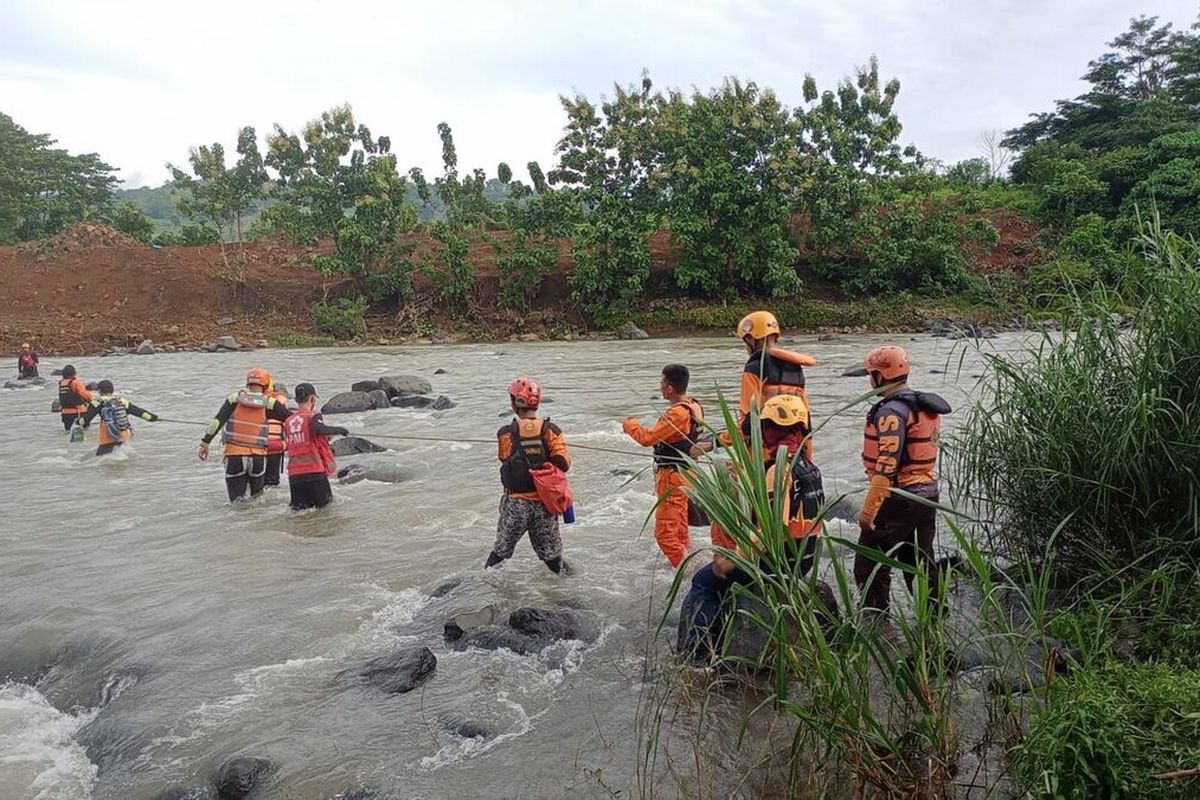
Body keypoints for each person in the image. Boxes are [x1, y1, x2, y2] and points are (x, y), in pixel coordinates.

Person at [677, 394, 831, 664]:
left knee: (703, 582)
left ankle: (696, 656)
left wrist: (734, 558)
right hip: (802, 559)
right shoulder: (809, 466)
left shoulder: (777, 471)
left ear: (769, 431)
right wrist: (747, 476)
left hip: (776, 563)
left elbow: (772, 529)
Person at [855, 345, 951, 614]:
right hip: (927, 494)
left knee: (869, 566)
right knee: (919, 562)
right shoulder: (922, 405)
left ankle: (876, 625)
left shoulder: (890, 413)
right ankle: (936, 621)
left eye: (871, 374)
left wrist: (869, 510)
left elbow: (886, 467)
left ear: (880, 377)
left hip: (900, 496)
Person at [692, 310, 817, 460]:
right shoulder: (796, 370)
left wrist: (716, 441)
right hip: (794, 453)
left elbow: (749, 422)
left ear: (752, 340)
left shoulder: (754, 369)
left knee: (732, 472)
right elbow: (805, 422)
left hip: (764, 455)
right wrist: (809, 461)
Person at [622, 364, 705, 567]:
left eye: (662, 383)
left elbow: (647, 438)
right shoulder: (694, 405)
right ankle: (689, 563)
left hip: (673, 477)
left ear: (669, 388)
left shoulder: (678, 413)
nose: (660, 387)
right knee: (680, 529)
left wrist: (629, 424)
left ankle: (686, 573)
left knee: (665, 535)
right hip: (686, 474)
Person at [486, 377, 572, 574]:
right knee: (553, 560)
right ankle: (572, 589)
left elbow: (504, 458)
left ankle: (484, 592)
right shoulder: (552, 430)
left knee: (498, 556)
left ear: (514, 403)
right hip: (545, 506)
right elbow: (564, 463)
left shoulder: (505, 433)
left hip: (516, 505)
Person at [197, 367, 292, 502]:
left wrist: (205, 443)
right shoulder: (270, 403)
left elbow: (216, 422)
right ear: (266, 384)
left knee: (236, 503)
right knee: (257, 502)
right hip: (258, 458)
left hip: (234, 456)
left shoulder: (234, 400)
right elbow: (290, 420)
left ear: (248, 382)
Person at [282, 382, 349, 510]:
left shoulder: (288, 421)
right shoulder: (313, 415)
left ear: (296, 400)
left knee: (300, 514)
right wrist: (340, 430)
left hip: (294, 476)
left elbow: (299, 440)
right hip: (314, 473)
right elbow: (319, 429)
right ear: (312, 399)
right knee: (325, 511)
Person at [81, 380, 159, 456]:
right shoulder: (122, 401)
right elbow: (139, 412)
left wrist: (78, 423)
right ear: (112, 390)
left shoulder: (97, 402)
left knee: (102, 460)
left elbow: (85, 420)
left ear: (100, 391)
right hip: (123, 435)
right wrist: (153, 418)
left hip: (107, 437)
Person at [263, 373, 289, 487]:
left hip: (256, 447)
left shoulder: (253, 402)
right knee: (272, 482)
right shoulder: (280, 405)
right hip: (275, 446)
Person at [57, 365, 93, 432]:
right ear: (74, 373)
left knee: (68, 431)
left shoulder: (61, 383)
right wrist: (94, 400)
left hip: (65, 414)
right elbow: (85, 394)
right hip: (78, 412)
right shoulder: (75, 382)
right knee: (85, 431)